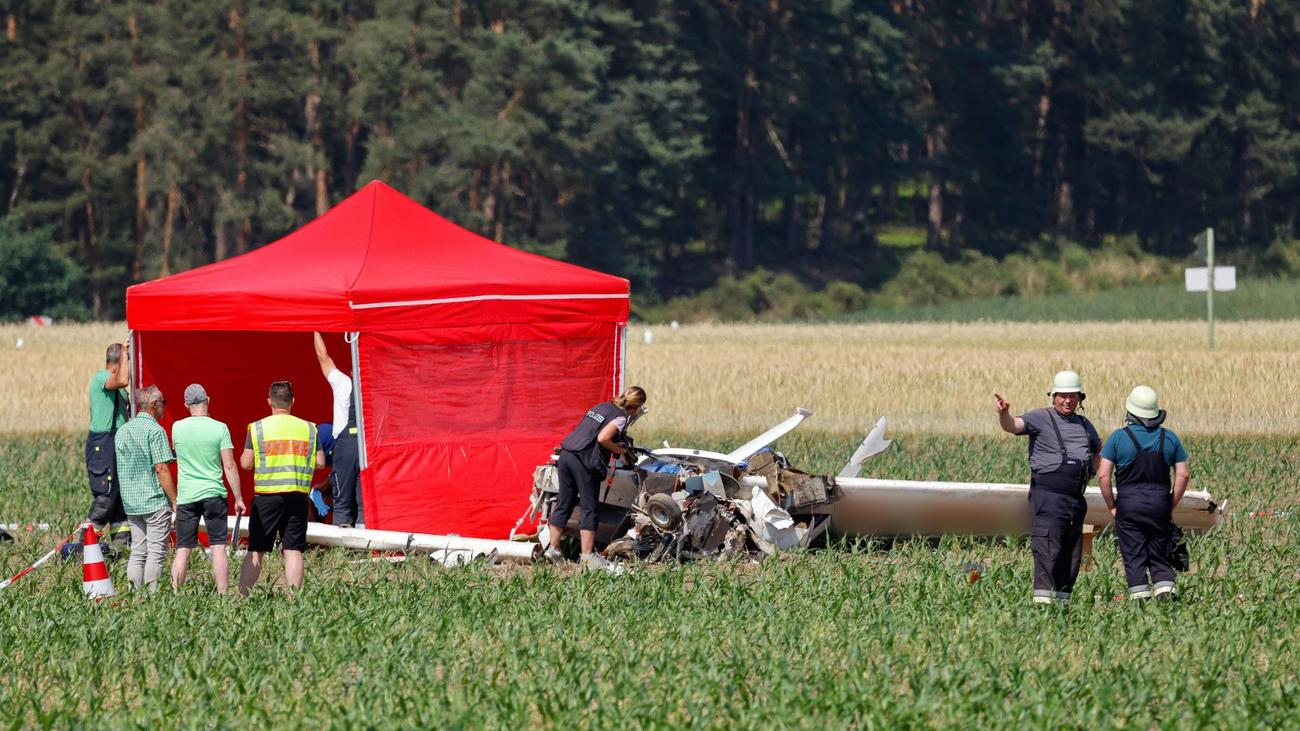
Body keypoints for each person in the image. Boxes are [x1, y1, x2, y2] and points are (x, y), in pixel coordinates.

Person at [995, 370, 1101, 605]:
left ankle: (1062, 606)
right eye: (1063, 395)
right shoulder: (1039, 417)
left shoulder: (1085, 424)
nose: (1068, 400)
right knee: (1047, 549)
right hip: (1049, 497)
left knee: (1070, 554)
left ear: (1080, 399)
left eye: (1073, 396)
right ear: (1053, 396)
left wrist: (1092, 471)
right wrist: (1004, 414)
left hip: (1075, 499)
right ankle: (1042, 607)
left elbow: (1099, 450)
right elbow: (1012, 426)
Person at [1097, 385, 1190, 602]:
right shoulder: (1170, 438)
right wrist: (1170, 504)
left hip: (1128, 504)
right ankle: (1167, 597)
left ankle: (1140, 602)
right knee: (1160, 555)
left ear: (1129, 411)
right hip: (1159, 504)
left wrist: (1112, 505)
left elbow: (1103, 476)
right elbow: (1183, 475)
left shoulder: (1118, 438)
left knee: (1134, 555)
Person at [545, 386, 648, 571]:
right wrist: (621, 450)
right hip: (584, 461)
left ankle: (553, 549)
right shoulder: (621, 417)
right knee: (589, 507)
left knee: (564, 503)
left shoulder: (601, 407)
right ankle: (587, 556)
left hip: (567, 454)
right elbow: (602, 438)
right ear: (636, 405)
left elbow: (590, 431)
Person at [238, 381, 323, 596]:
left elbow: (246, 463)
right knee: (293, 550)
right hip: (297, 495)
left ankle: (243, 596)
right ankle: (295, 598)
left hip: (267, 496)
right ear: (293, 401)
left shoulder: (257, 428)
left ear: (269, 401)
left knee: (256, 549)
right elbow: (320, 462)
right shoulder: (309, 428)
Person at [170, 384, 246, 594]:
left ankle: (175, 594)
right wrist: (238, 497)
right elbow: (229, 465)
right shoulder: (220, 428)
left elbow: (178, 452)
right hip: (213, 493)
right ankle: (222, 595)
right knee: (218, 547)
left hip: (187, 495)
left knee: (183, 549)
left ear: (186, 405)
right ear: (208, 400)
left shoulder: (177, 427)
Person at [115, 384, 177, 592]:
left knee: (138, 552)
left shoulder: (123, 431)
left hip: (132, 502)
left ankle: (134, 593)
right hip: (154, 500)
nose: (164, 407)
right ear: (153, 405)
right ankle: (153, 597)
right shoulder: (155, 430)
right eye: (163, 403)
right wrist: (175, 501)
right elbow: (161, 468)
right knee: (156, 553)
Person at [86, 342, 132, 551]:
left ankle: (120, 551)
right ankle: (83, 549)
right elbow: (122, 380)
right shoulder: (101, 378)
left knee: (118, 501)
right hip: (103, 445)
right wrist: (125, 353)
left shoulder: (117, 387)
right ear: (118, 362)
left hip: (117, 444)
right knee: (105, 498)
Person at [313, 332, 362, 527]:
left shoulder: (343, 383)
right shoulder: (377, 389)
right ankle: (368, 550)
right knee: (364, 503)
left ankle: (343, 553)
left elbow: (322, 356)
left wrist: (315, 329)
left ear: (351, 372)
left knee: (342, 504)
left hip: (346, 449)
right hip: (368, 450)